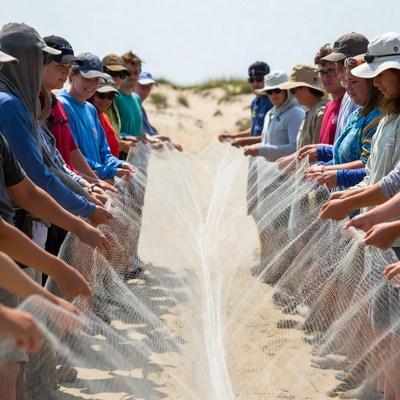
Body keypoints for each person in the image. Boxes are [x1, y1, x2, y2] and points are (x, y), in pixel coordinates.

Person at [303, 56, 383, 192]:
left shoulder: (377, 118)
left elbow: (369, 166)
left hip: (358, 204)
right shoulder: (357, 114)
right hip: (345, 205)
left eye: (353, 82)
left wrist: (326, 170)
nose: (348, 88)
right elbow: (341, 154)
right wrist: (321, 156)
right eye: (346, 82)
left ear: (371, 83)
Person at [57, 52, 135, 181]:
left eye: (96, 80)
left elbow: (104, 153)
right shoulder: (62, 105)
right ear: (72, 75)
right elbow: (71, 156)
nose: (92, 85)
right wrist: (111, 172)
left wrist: (120, 164)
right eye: (87, 78)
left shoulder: (91, 109)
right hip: (80, 187)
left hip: (96, 185)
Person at [243, 70, 305, 160]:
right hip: (270, 170)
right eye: (269, 91)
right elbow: (267, 143)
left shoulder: (295, 113)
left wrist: (260, 150)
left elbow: (296, 148)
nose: (273, 94)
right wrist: (257, 148)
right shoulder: (269, 114)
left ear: (287, 91)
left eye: (277, 90)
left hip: (288, 173)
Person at [320, 32, 369, 142]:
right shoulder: (348, 95)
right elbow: (340, 149)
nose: (337, 70)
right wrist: (320, 151)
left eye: (343, 62)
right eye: (336, 64)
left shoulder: (375, 101)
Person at [218, 61, 273, 147]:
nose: (254, 84)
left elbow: (274, 136)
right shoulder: (255, 102)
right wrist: (232, 136)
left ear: (268, 79)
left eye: (259, 79)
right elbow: (255, 130)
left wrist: (245, 141)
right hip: (255, 154)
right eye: (251, 80)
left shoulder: (273, 100)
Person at [135, 71, 183, 151]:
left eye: (149, 87)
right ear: (134, 84)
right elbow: (134, 134)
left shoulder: (140, 108)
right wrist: (155, 139)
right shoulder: (133, 106)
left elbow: (150, 132)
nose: (146, 91)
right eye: (143, 86)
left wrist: (168, 142)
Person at [88, 73, 121, 157]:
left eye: (110, 96)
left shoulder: (105, 117)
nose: (106, 100)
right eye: (101, 95)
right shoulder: (86, 118)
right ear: (91, 94)